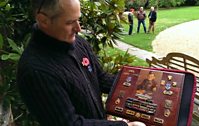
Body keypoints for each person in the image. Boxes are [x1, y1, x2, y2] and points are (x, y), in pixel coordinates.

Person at [16, 0, 146, 126]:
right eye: (70, 22)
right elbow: (69, 123)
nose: (78, 28)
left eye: (78, 19)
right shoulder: (36, 71)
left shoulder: (78, 43)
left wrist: (138, 86)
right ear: (43, 20)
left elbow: (100, 78)